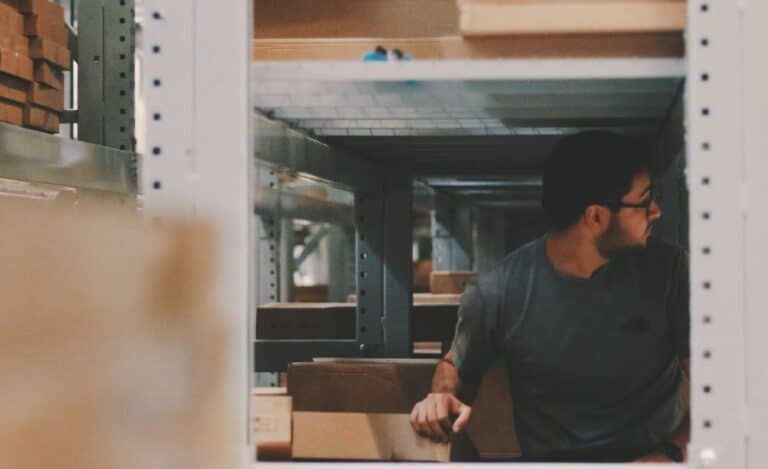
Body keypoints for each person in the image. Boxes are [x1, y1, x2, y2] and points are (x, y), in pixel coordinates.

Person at [410, 131, 690, 463]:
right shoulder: (500, 290)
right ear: (596, 217)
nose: (656, 211)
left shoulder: (670, 271)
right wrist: (440, 396)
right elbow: (455, 365)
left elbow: (717, 388)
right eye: (644, 201)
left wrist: (669, 454)